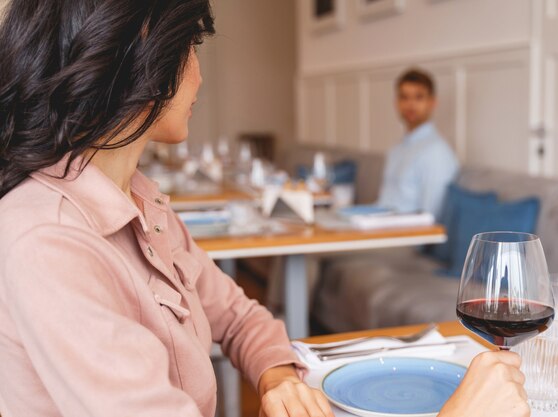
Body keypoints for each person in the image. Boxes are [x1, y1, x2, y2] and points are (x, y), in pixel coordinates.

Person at [0, 1, 529, 416]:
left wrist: (276, 375)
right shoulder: (49, 242)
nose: (200, 77)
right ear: (142, 51)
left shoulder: (140, 199)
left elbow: (236, 314)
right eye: (192, 47)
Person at [377, 68, 459, 219]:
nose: (410, 104)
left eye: (418, 97)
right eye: (404, 97)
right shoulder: (396, 149)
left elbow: (430, 219)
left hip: (404, 237)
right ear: (396, 103)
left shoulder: (436, 152)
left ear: (432, 102)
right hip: (376, 226)